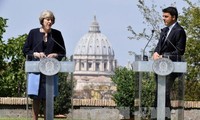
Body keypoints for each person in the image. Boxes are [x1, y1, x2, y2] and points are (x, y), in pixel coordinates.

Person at [23, 10, 66, 120]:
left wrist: (55, 55)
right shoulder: (33, 33)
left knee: (48, 97)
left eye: (51, 20)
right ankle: (34, 118)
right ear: (42, 21)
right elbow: (25, 50)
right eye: (47, 19)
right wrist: (36, 54)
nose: (50, 22)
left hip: (50, 71)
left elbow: (63, 52)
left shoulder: (57, 34)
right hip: (36, 71)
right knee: (36, 98)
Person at [152, 7, 186, 119]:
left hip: (171, 68)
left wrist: (164, 56)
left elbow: (179, 51)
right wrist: (156, 53)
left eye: (166, 16)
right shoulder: (164, 31)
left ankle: (165, 117)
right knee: (158, 93)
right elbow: (159, 47)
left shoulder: (179, 31)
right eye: (163, 16)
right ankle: (157, 117)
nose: (163, 19)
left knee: (164, 93)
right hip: (160, 67)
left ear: (174, 17)